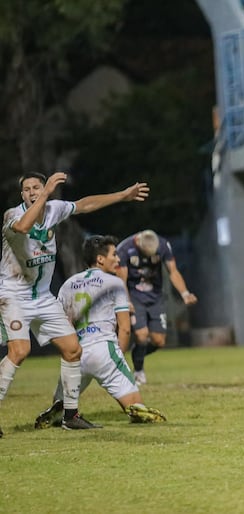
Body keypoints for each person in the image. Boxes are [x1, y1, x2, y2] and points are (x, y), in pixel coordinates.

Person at [0, 171, 149, 437]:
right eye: (27, 189)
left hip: (43, 297)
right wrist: (45, 194)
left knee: (72, 350)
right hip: (13, 295)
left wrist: (122, 196)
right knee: (19, 351)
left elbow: (84, 204)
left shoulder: (54, 209)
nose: (32, 192)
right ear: (22, 194)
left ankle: (70, 415)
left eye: (36, 187)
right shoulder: (13, 216)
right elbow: (24, 228)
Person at [34, 235, 167, 429]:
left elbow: (62, 324)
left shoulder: (68, 284)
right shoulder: (114, 283)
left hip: (76, 354)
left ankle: (60, 410)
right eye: (114, 254)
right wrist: (118, 356)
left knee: (63, 404)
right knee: (137, 406)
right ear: (100, 259)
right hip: (104, 350)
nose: (118, 259)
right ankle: (134, 409)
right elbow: (125, 328)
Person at [116, 229, 197, 385]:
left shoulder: (162, 245)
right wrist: (126, 301)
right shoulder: (125, 249)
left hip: (155, 297)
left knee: (159, 341)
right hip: (134, 297)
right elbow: (121, 281)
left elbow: (173, 272)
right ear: (139, 244)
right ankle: (139, 372)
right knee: (141, 335)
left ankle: (137, 353)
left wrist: (185, 293)